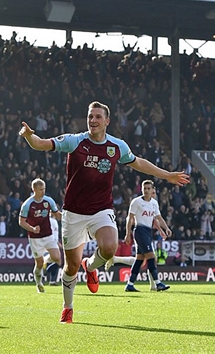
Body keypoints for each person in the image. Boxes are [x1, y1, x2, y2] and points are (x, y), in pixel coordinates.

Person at [19, 101, 189, 323]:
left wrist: (167, 175)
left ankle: (90, 266)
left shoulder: (117, 146)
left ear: (107, 121)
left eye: (98, 117)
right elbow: (41, 144)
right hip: (73, 213)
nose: (93, 121)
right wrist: (29, 137)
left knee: (110, 247)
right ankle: (68, 307)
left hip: (101, 209)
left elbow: (138, 163)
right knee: (70, 266)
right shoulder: (75, 141)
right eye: (90, 116)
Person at [123, 180, 172, 292]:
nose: (146, 190)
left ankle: (130, 284)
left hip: (148, 231)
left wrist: (166, 228)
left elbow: (158, 218)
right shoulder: (136, 202)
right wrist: (127, 233)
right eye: (144, 188)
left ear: (153, 190)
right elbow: (129, 218)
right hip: (139, 230)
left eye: (149, 188)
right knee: (151, 257)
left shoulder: (154, 203)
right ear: (141, 189)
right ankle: (158, 283)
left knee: (139, 259)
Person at [18, 178, 62, 293]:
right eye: (40, 189)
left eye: (44, 189)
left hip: (48, 235)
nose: (43, 191)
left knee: (57, 258)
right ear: (34, 190)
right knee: (39, 263)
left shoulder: (49, 201)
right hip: (35, 238)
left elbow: (57, 215)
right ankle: (39, 284)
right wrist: (32, 229)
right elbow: (21, 222)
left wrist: (70, 218)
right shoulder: (27, 204)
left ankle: (47, 259)